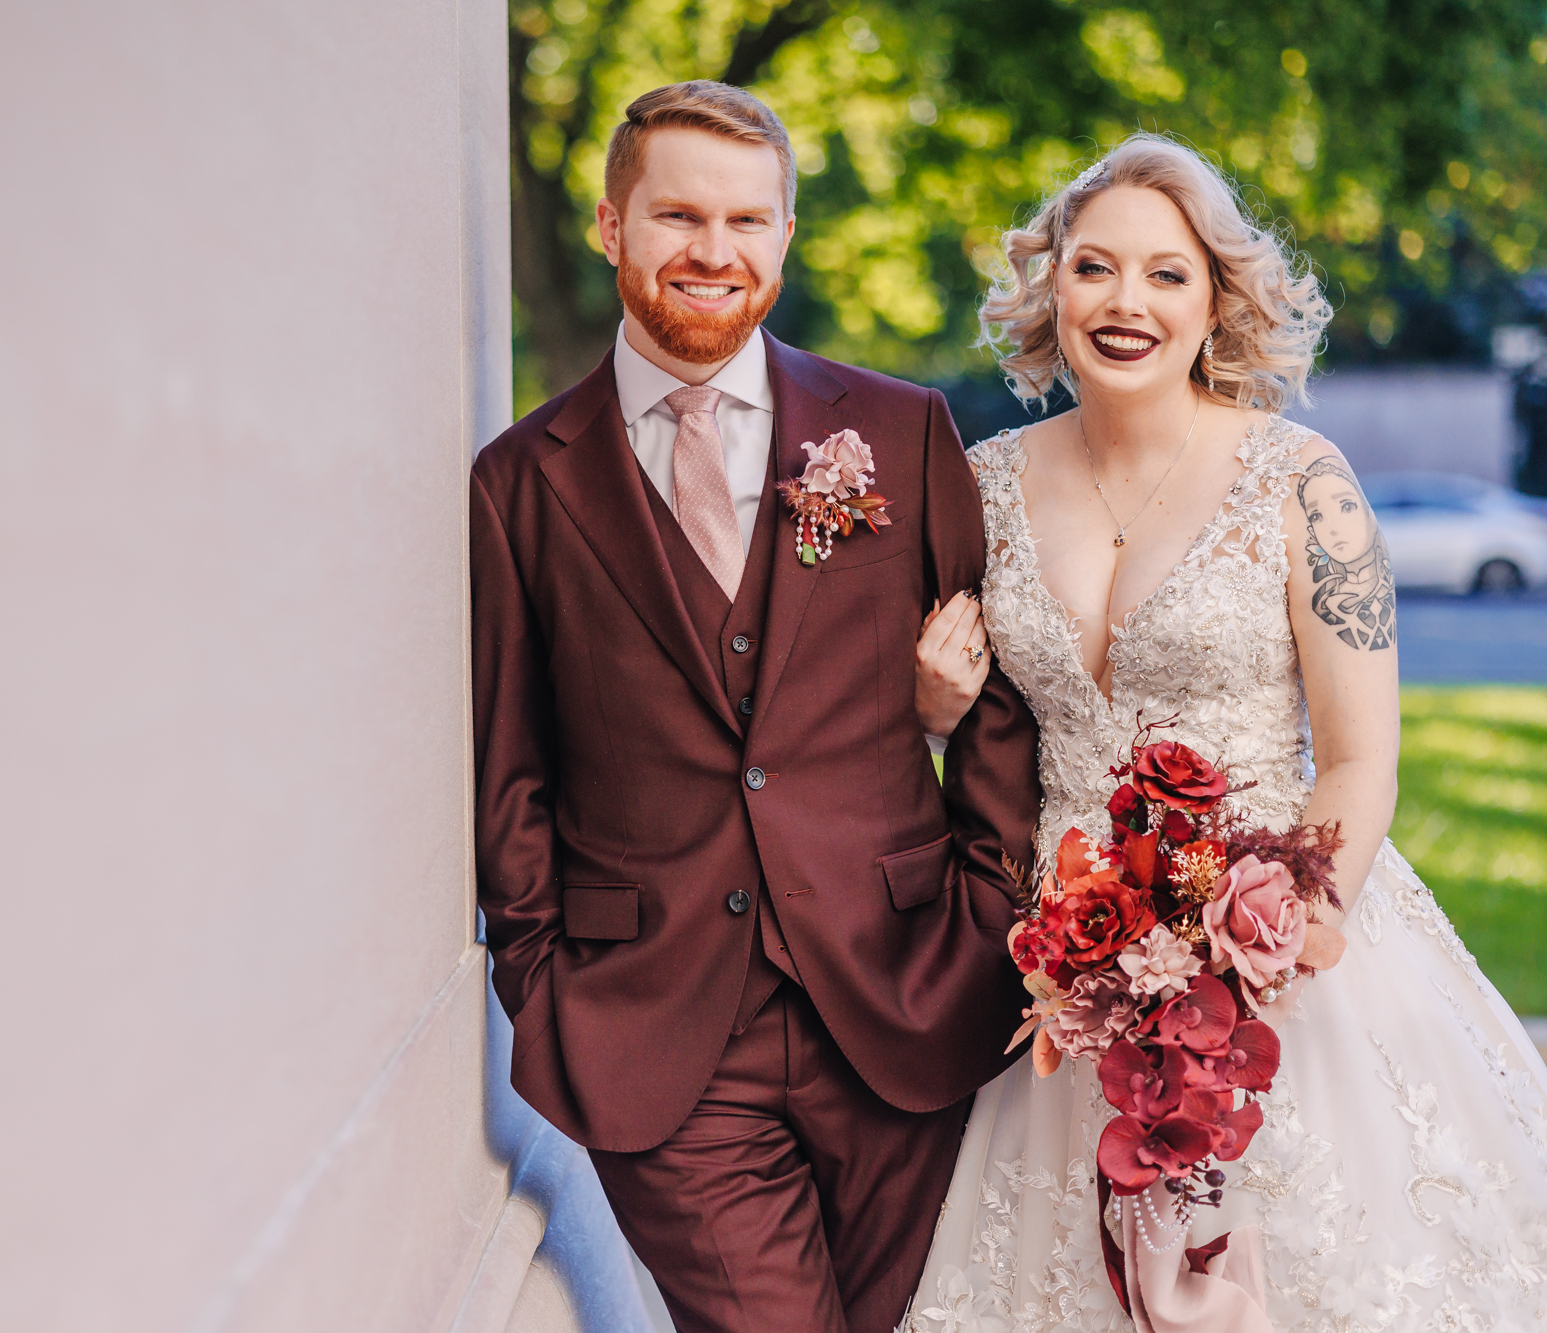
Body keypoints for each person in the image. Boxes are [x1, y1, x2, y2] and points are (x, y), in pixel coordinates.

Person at [904, 134, 1547, 1333]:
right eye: (1094, 268)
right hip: (1065, 962)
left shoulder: (1301, 483)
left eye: (1165, 273)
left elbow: (1358, 757)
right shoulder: (980, 482)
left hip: (1272, 949)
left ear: (1217, 299)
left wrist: (1264, 952)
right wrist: (927, 715)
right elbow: (961, 718)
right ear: (1052, 287)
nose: (1125, 302)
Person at [470, 81, 1039, 1332]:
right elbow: (507, 763)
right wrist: (540, 978)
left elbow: (995, 699)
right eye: (676, 214)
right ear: (612, 227)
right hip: (655, 1027)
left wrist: (988, 914)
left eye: (746, 219)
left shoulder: (898, 432)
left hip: (900, 996)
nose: (712, 251)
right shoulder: (519, 483)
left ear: (785, 235)